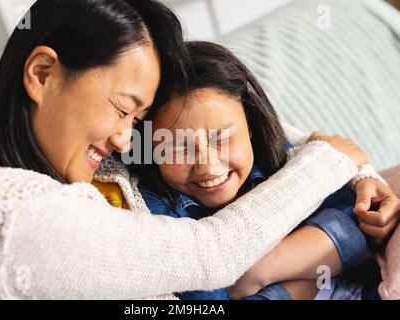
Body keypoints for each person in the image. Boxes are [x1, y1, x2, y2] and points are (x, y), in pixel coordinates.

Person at [0, 0, 398, 299]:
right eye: (123, 109)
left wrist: (351, 166)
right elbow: (213, 255)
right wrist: (332, 158)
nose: (126, 138)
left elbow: (229, 120)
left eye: (136, 120)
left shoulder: (69, 164)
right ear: (44, 73)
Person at [134, 41, 393, 300]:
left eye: (221, 137)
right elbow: (208, 300)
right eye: (179, 147)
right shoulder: (157, 214)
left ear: (249, 124)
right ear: (149, 149)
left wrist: (258, 272)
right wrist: (301, 284)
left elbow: (363, 227)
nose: (208, 165)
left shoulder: (279, 157)